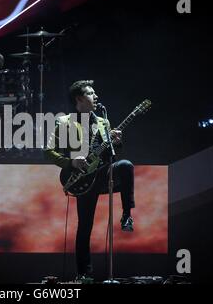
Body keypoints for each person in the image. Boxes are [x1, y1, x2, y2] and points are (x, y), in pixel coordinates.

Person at [44, 80, 135, 280]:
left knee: (126, 165)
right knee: (85, 226)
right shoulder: (64, 121)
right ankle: (84, 274)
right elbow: (48, 152)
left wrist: (117, 143)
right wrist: (70, 162)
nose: (96, 96)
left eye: (95, 93)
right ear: (79, 99)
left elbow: (111, 156)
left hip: (103, 173)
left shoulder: (103, 122)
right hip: (81, 178)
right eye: (91, 93)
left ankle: (127, 214)